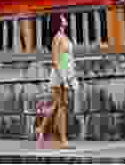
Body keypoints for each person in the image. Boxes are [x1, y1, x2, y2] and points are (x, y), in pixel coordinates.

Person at [36, 12, 77, 148]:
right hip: (59, 75)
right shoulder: (57, 38)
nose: (65, 19)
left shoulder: (65, 37)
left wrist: (71, 77)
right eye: (62, 17)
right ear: (58, 21)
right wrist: (64, 79)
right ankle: (62, 140)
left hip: (65, 73)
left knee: (59, 106)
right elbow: (55, 61)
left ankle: (42, 129)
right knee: (61, 107)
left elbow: (67, 59)